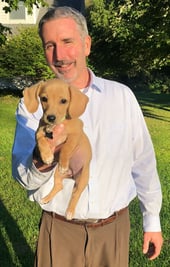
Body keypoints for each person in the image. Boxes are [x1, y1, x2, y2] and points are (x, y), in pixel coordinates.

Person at [12, 6, 163, 267]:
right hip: (59, 231)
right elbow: (23, 177)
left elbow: (143, 162)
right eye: (50, 45)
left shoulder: (122, 97)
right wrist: (44, 155)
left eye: (67, 41)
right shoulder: (32, 105)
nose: (59, 55)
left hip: (112, 230)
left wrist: (152, 220)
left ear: (86, 44)